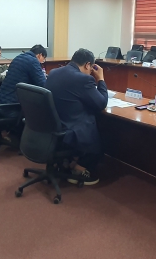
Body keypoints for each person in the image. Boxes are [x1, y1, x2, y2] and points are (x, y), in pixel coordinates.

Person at [45, 49, 108, 185]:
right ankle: (80, 169)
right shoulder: (84, 79)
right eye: (91, 69)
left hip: (53, 126)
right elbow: (101, 103)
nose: (91, 72)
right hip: (70, 130)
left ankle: (71, 161)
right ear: (87, 65)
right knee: (100, 128)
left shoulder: (54, 72)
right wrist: (101, 79)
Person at [0, 44, 47, 118]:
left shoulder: (18, 57)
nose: (42, 62)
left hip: (1, 103)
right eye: (43, 59)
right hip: (12, 108)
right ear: (40, 55)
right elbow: (43, 85)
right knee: (43, 109)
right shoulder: (33, 61)